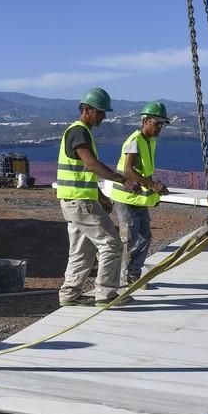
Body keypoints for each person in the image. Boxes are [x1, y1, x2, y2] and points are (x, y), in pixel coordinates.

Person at [56, 88, 140, 308]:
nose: (103, 117)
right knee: (111, 244)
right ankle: (106, 294)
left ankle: (69, 294)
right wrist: (122, 180)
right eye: (100, 112)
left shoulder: (80, 132)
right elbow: (91, 164)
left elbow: (82, 173)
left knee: (82, 250)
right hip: (80, 202)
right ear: (86, 110)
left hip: (75, 201)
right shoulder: (79, 132)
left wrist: (100, 194)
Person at [109, 101, 171, 285]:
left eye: (162, 124)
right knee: (129, 238)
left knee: (145, 236)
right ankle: (118, 276)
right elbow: (128, 170)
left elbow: (144, 172)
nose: (159, 127)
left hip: (137, 199)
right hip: (124, 198)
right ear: (145, 121)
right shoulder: (135, 141)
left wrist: (153, 194)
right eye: (156, 123)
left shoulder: (149, 141)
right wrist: (153, 186)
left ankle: (133, 274)